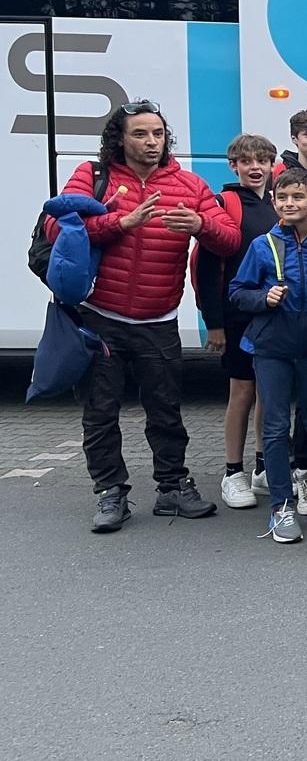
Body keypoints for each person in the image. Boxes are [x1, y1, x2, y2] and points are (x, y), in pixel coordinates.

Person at [55, 100, 240, 532]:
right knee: (100, 413)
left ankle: (172, 487)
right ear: (120, 138)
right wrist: (119, 223)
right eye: (140, 133)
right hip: (100, 316)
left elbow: (229, 241)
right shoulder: (93, 176)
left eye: (157, 133)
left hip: (158, 321)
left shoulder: (190, 184)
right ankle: (110, 493)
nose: (151, 141)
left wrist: (200, 225)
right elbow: (57, 226)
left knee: (166, 411)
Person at [227, 168, 307, 544]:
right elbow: (237, 291)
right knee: (274, 428)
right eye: (283, 198)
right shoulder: (262, 245)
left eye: (299, 198)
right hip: (271, 348)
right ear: (274, 202)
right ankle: (281, 506)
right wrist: (263, 298)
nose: (291, 204)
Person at [194, 133, 279, 510]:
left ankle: (262, 467)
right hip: (237, 315)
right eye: (246, 161)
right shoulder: (223, 203)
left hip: (274, 315)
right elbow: (207, 266)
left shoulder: (281, 203)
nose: (255, 167)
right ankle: (232, 472)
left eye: (262, 160)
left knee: (268, 392)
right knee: (241, 393)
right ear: (234, 166)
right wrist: (213, 322)